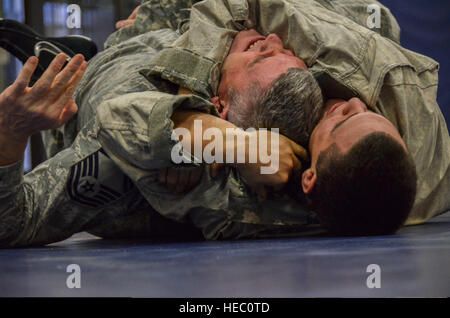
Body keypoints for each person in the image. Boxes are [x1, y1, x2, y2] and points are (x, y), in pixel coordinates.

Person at [122, 0, 447, 234]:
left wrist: (196, 150)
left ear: (311, 178)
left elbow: (118, 120)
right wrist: (195, 111)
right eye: (373, 114)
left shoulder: (296, 207)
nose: (354, 103)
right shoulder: (351, 60)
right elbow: (230, 5)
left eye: (343, 118)